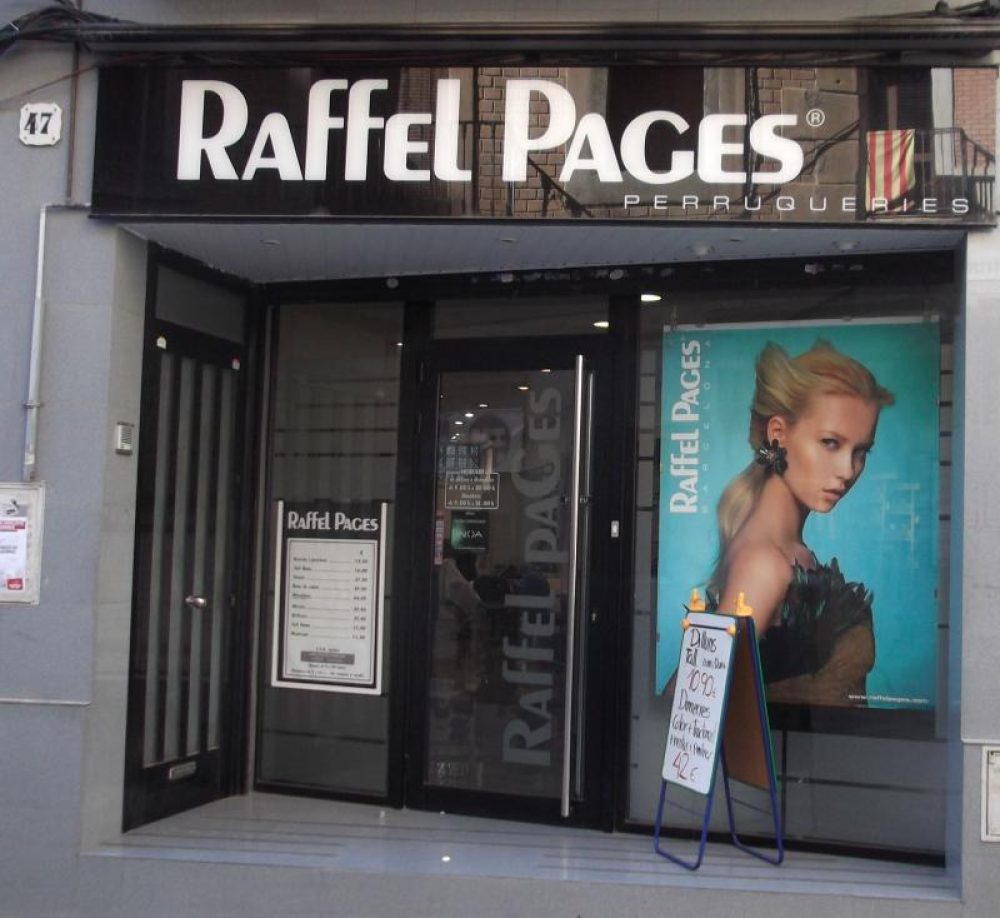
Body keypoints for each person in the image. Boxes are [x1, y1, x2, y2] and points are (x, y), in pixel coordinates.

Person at [707, 340, 894, 707]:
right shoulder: (765, 564)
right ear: (778, 433)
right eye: (830, 443)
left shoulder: (785, 552)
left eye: (861, 451)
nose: (848, 470)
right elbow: (700, 696)